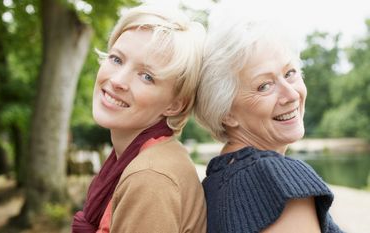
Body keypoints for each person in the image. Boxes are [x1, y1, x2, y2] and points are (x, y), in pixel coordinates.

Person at [194, 18, 343, 233]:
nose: (291, 95)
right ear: (226, 113)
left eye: (290, 73)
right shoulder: (278, 180)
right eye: (264, 86)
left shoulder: (216, 184)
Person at [72, 4, 207, 233]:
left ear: (176, 104)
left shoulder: (150, 178)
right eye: (116, 59)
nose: (117, 80)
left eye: (146, 76)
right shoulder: (144, 156)